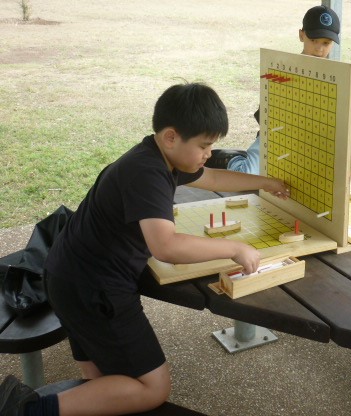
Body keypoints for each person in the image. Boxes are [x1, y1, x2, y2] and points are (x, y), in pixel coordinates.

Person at [0, 82, 289, 416]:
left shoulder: (158, 157)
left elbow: (211, 178)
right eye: (204, 145)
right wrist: (234, 249)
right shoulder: (147, 174)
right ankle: (26, 408)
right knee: (153, 387)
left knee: (108, 383)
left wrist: (266, 183)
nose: (209, 153)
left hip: (67, 278)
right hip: (96, 290)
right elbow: (165, 246)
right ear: (171, 137)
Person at [206, 5, 341, 174]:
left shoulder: (336, 79)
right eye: (314, 40)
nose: (319, 49)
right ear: (301, 35)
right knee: (248, 174)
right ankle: (232, 159)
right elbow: (264, 116)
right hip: (276, 135)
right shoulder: (283, 70)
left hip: (312, 141)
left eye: (326, 43)